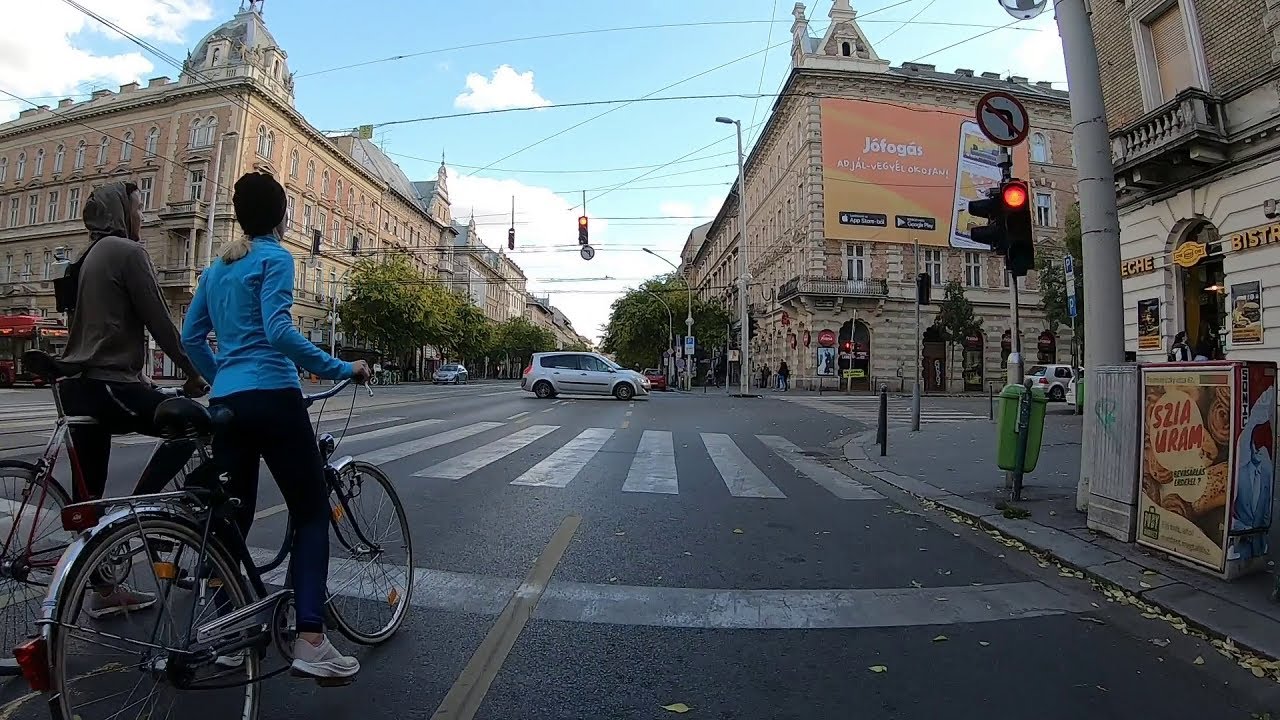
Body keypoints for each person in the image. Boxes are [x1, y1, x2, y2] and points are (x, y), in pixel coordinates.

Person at [181, 171, 371, 681]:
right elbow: (278, 331)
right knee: (310, 513)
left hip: (228, 406)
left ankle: (226, 628)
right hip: (275, 397)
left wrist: (225, 380)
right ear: (282, 217)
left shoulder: (216, 270)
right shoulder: (276, 258)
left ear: (240, 216)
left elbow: (191, 337)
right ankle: (310, 639)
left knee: (231, 520)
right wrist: (341, 367)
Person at [56, 181, 209, 619]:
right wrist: (193, 372)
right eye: (138, 210)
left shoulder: (87, 256)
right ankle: (139, 518)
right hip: (111, 385)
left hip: (79, 387)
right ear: (122, 214)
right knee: (193, 424)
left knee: (90, 497)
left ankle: (103, 587)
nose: (142, 218)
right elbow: (159, 320)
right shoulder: (127, 252)